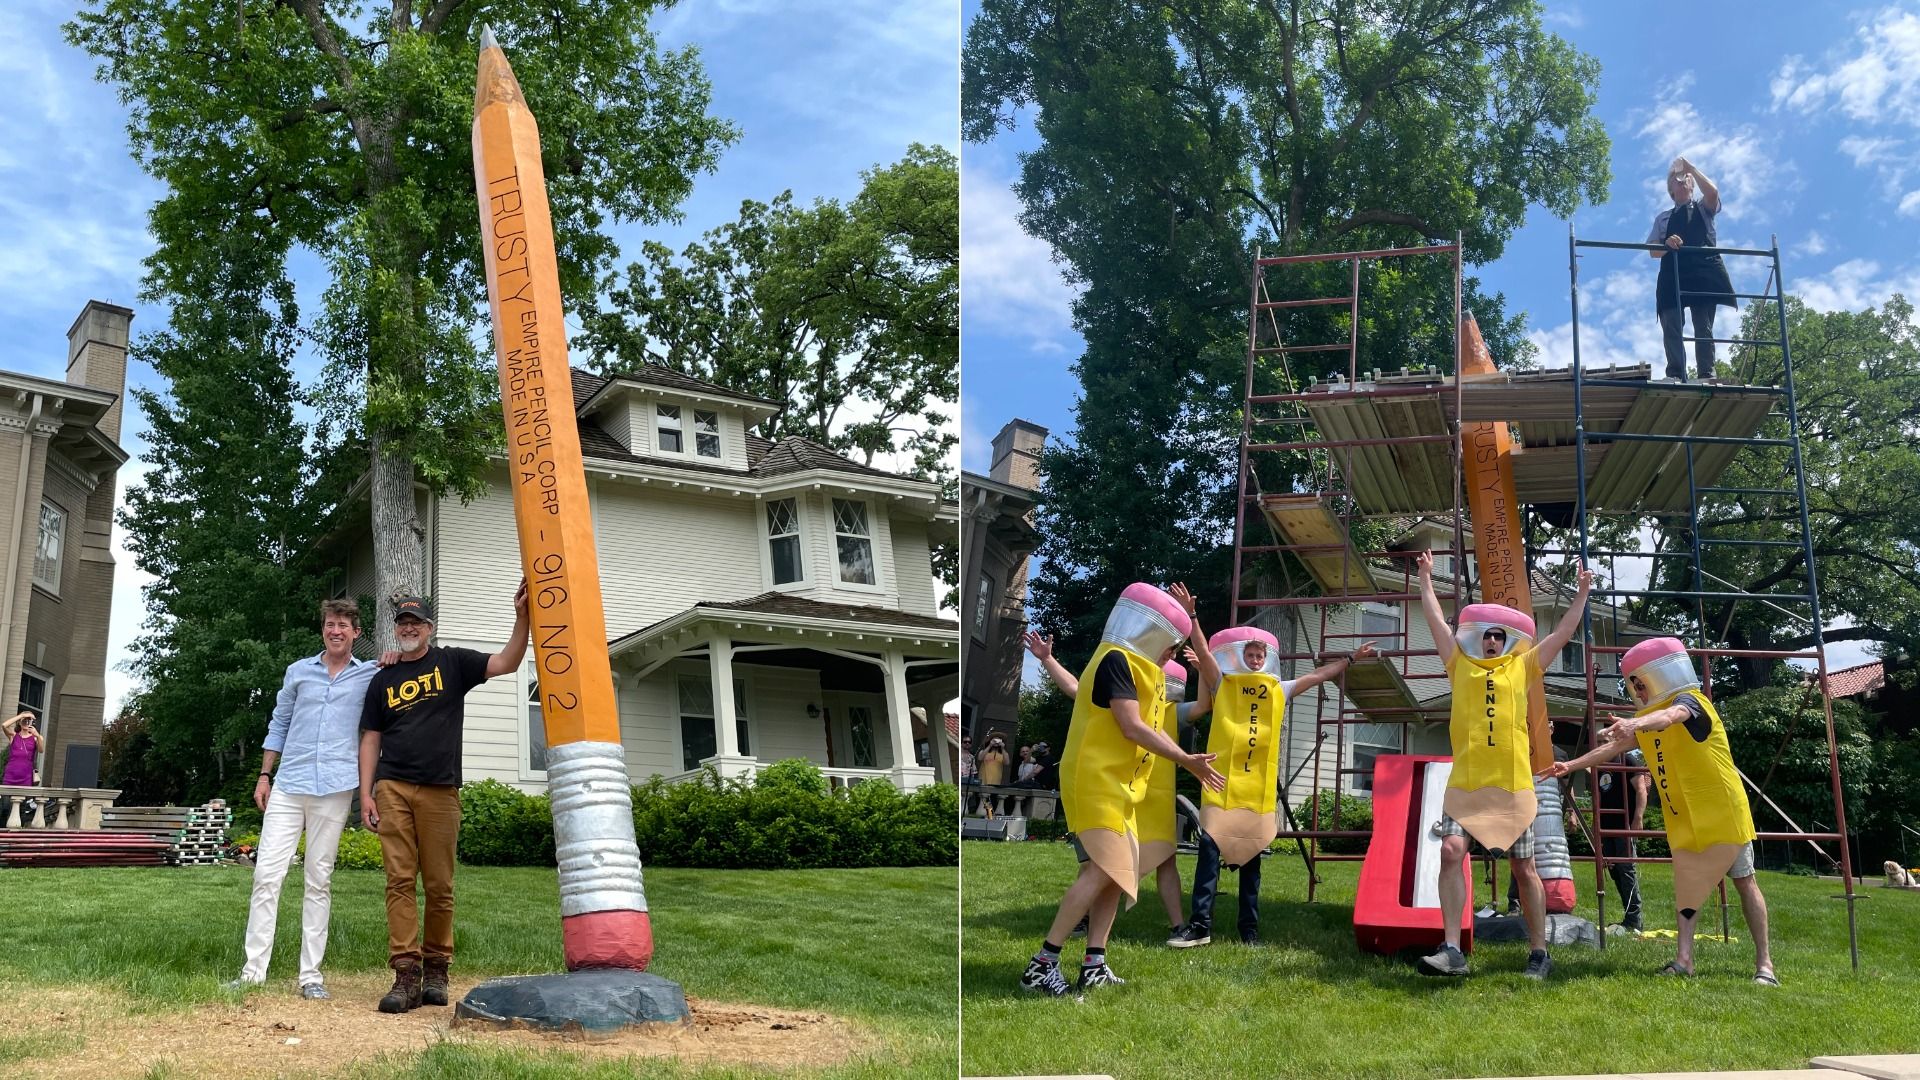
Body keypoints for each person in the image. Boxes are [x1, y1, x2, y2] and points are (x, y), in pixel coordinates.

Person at [1019, 582, 1226, 997]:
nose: (1170, 654)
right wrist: (1187, 760)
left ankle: (1094, 962)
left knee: (1116, 875)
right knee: (1099, 870)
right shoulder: (1116, 659)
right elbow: (1131, 727)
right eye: (1170, 643)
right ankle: (1042, 964)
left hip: (1122, 788)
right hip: (1096, 782)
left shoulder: (1139, 670)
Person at [1545, 637, 1774, 984]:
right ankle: (1684, 960)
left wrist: (1634, 724)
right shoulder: (1646, 719)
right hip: (1684, 817)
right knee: (1688, 887)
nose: (1637, 689)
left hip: (1722, 813)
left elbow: (1673, 716)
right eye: (1633, 683)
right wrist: (1571, 765)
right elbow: (1612, 749)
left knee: (1744, 882)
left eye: (1641, 681)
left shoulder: (1691, 702)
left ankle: (1765, 965)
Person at [1414, 550, 1592, 980]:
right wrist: (1424, 579)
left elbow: (1563, 635)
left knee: (1523, 867)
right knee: (1452, 851)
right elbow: (1438, 624)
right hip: (1467, 784)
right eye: (1486, 635)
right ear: (1477, 637)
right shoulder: (1459, 664)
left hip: (1513, 785)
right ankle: (1452, 950)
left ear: (1507, 639)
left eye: (1498, 635)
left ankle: (1539, 953)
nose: (1491, 641)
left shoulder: (1523, 665)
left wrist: (1582, 594)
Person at [360, 587, 529, 1013]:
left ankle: (437, 968)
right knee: (399, 881)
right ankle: (405, 974)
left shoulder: (453, 662)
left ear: (430, 629)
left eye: (416, 622)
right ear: (396, 629)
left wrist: (521, 618)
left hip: (440, 789)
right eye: (402, 622)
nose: (409, 627)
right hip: (392, 786)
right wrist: (366, 792)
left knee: (439, 885)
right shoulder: (384, 677)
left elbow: (507, 662)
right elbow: (371, 738)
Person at [1173, 628, 1377, 948]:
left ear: (1267, 660)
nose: (1255, 660)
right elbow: (1206, 653)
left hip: (1257, 794)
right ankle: (1200, 925)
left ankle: (1249, 930)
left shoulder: (1278, 689)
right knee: (1209, 855)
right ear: (1240, 656)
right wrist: (1194, 619)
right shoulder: (1224, 684)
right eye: (1250, 654)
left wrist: (1351, 658)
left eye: (1260, 655)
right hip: (1221, 789)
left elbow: (1318, 675)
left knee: (1251, 867)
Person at [227, 600, 380, 1000]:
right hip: (289, 785)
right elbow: (279, 722)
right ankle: (252, 972)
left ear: (356, 633)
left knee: (319, 880)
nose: (336, 631)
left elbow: (392, 680)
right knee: (266, 876)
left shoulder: (368, 675)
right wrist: (265, 774)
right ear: (323, 630)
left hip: (335, 787)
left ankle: (310, 976)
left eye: (344, 625)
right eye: (330, 624)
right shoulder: (298, 672)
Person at [1648, 155, 1733, 382]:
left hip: (1702, 272)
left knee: (1703, 325)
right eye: (1677, 179)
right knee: (1672, 325)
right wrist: (1666, 244)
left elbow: (1713, 193)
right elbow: (1652, 251)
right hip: (1673, 274)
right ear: (1671, 190)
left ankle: (1706, 372)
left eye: (1687, 178)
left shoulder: (1704, 209)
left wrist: (1692, 168)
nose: (1683, 180)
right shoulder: (1663, 219)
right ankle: (1675, 373)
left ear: (1693, 184)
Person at [2, 711, 42, 786]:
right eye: (24, 720)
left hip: (26, 777)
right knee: (6, 797)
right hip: (10, 776)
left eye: (29, 720)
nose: (26, 722)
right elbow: (4, 725)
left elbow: (41, 750)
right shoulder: (13, 736)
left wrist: (37, 735)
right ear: (19, 723)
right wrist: (22, 716)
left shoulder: (36, 738)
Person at [978, 733, 1012, 813]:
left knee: (992, 802)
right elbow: (980, 758)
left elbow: (1007, 763)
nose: (996, 742)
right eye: (994, 740)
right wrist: (989, 745)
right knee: (982, 801)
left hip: (995, 782)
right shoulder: (984, 751)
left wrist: (1003, 748)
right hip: (983, 779)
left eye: (998, 740)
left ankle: (989, 816)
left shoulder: (1003, 753)